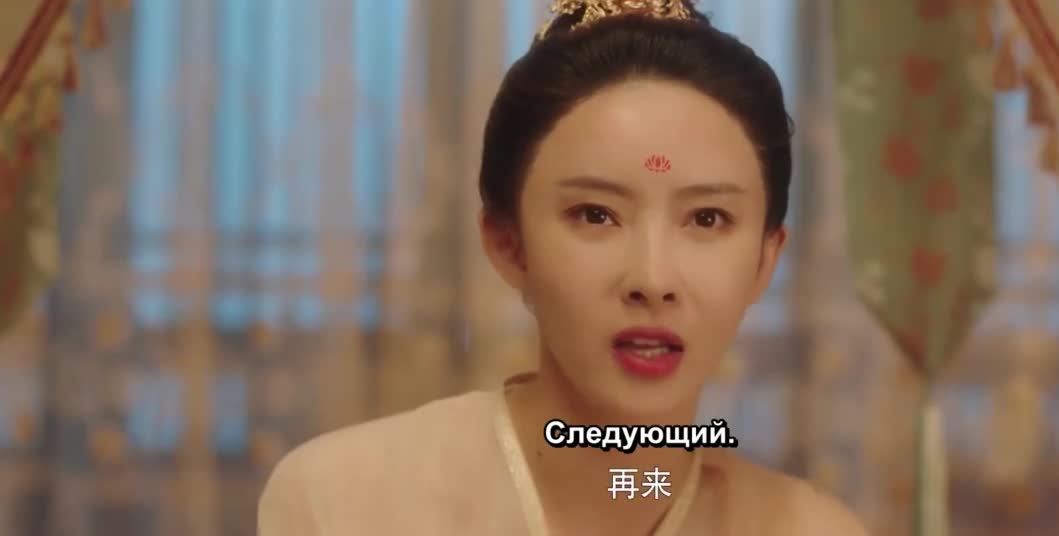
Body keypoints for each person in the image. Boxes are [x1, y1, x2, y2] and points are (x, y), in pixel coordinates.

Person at [258, 0, 867, 534]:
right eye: (595, 215)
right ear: (508, 243)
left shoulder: (811, 530)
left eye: (707, 219)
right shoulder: (342, 500)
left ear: (765, 259)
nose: (652, 281)